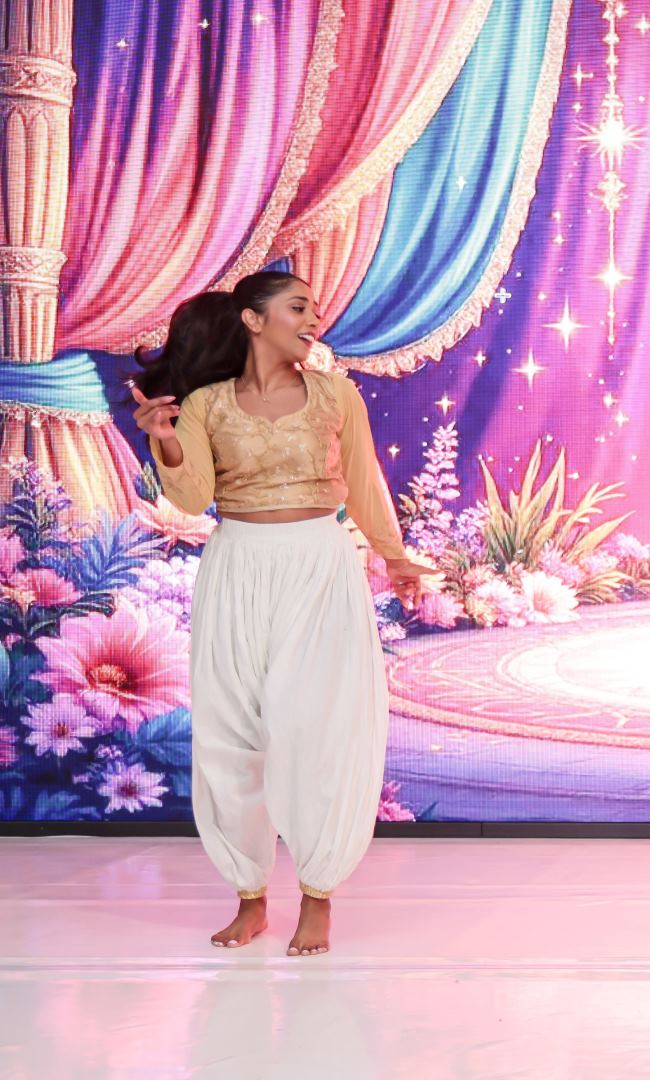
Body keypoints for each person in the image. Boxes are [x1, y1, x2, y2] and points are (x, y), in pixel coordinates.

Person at [129, 272, 428, 955]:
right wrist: (166, 440)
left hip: (319, 565)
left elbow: (365, 480)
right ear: (253, 319)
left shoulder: (335, 395)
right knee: (233, 732)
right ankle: (250, 896)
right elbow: (193, 497)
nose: (314, 319)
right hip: (238, 564)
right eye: (299, 307)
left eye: (314, 309)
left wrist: (394, 556)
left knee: (314, 727)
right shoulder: (206, 404)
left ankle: (318, 894)